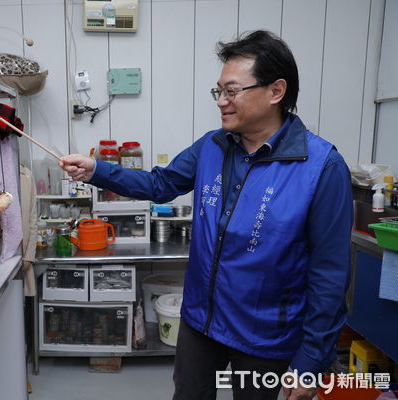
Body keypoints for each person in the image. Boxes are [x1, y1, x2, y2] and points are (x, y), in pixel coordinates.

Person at [59, 30, 353, 400]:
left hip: (266, 337)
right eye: (219, 91)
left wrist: (311, 361)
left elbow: (330, 274)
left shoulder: (321, 167)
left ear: (276, 91)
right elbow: (160, 185)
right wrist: (96, 170)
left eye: (232, 91)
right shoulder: (213, 146)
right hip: (201, 323)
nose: (222, 102)